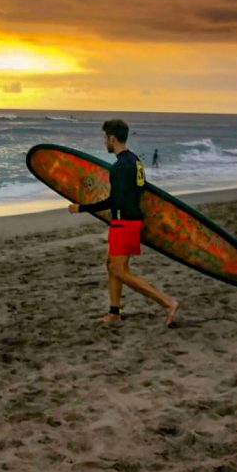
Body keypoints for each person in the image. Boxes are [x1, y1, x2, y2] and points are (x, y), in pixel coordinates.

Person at [68, 119, 179, 326]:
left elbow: (114, 201)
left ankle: (167, 303)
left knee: (120, 271)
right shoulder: (135, 161)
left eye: (105, 138)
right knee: (112, 266)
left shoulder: (120, 166)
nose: (104, 143)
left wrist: (81, 208)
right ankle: (114, 312)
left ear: (112, 138)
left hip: (124, 223)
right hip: (127, 221)